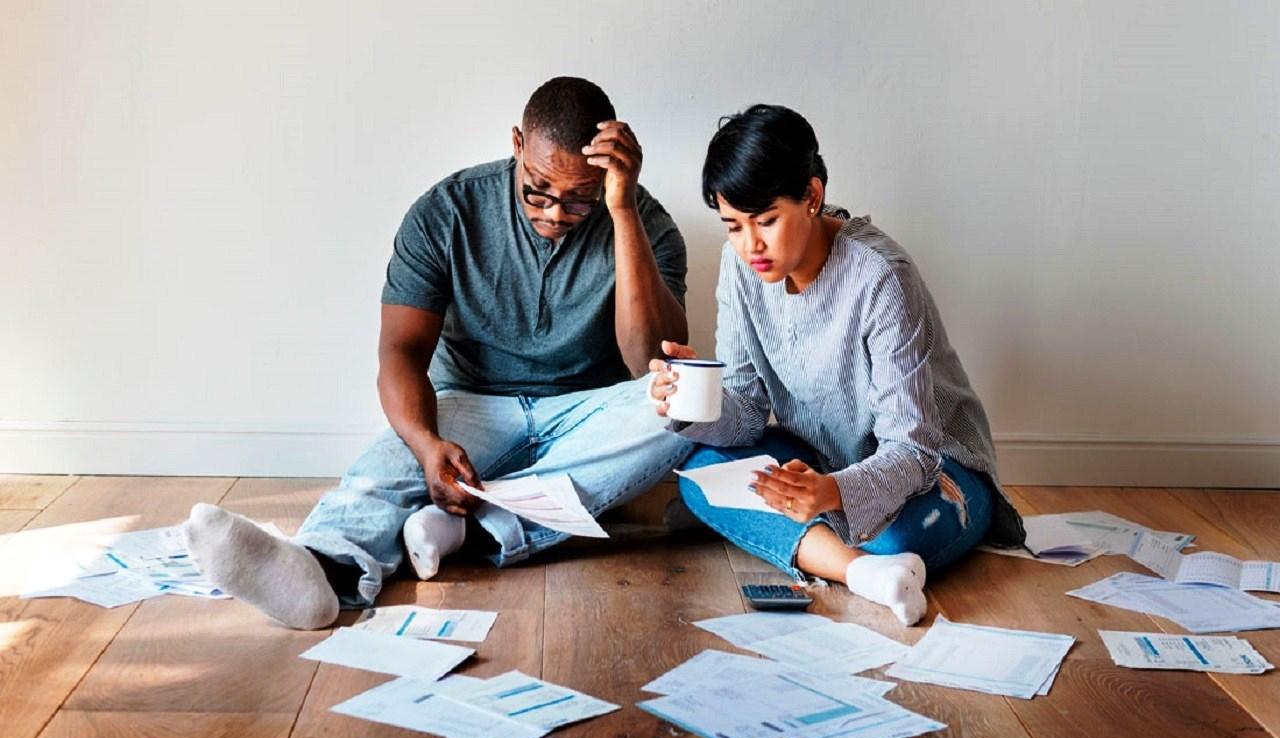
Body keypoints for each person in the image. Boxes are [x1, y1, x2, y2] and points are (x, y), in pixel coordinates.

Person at [184, 76, 693, 629]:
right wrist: (428, 445)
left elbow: (650, 362)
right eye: (538, 189)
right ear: (517, 144)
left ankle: (470, 530)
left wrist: (619, 213)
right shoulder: (447, 211)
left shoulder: (646, 225)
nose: (553, 213)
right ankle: (319, 568)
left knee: (684, 407)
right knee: (387, 465)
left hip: (586, 413)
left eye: (579, 199)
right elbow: (400, 352)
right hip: (472, 404)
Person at [650, 105, 1025, 626]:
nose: (749, 244)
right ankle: (863, 572)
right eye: (733, 225)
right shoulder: (740, 266)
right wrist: (691, 404)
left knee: (896, 534)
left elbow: (914, 448)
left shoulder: (880, 277)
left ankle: (828, 546)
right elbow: (748, 413)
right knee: (697, 468)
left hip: (939, 467)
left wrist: (832, 492)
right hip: (823, 458)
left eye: (767, 221)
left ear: (812, 196)